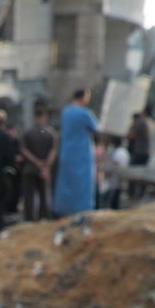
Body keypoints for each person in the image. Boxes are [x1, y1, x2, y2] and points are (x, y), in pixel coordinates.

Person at [52, 89, 99, 217]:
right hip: (81, 154)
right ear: (83, 98)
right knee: (82, 185)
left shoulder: (65, 111)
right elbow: (96, 128)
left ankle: (63, 209)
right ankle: (82, 210)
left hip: (66, 152)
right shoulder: (85, 113)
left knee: (66, 183)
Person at [18, 108, 56, 221]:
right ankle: (43, 217)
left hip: (29, 169)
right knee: (44, 194)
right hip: (44, 171)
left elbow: (24, 150)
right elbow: (53, 151)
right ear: (45, 118)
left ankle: (29, 218)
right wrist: (46, 166)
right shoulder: (50, 133)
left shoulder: (28, 132)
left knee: (28, 196)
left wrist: (36, 162)